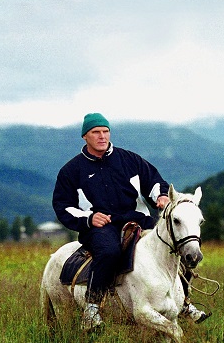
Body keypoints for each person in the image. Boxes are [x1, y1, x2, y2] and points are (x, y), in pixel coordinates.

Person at [52, 113, 209, 330]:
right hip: (100, 227)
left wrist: (161, 196)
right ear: (85, 136)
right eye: (96, 132)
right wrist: (89, 218)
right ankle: (92, 307)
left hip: (137, 221)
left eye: (105, 131)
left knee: (174, 247)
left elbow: (154, 183)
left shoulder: (129, 160)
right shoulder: (71, 171)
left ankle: (183, 303)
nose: (102, 136)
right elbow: (63, 206)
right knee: (109, 252)